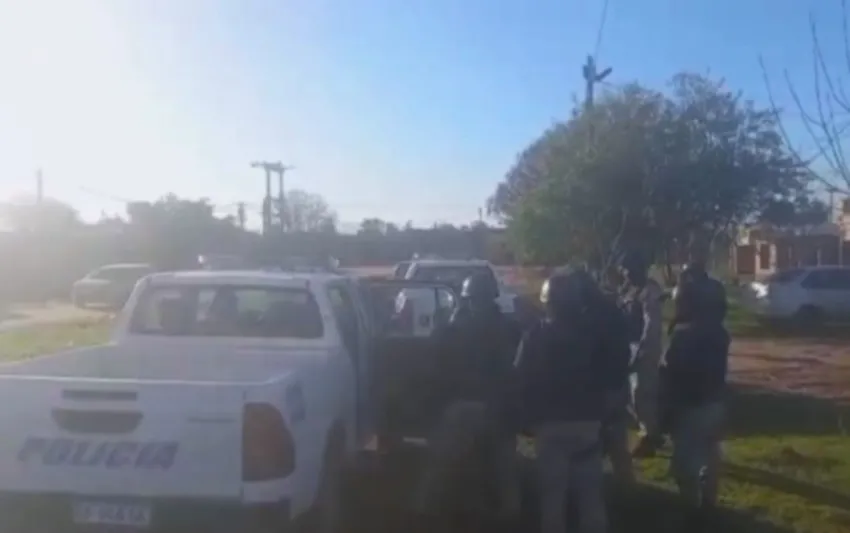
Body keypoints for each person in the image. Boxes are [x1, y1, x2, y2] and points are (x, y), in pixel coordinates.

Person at [511, 267, 621, 533]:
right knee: (591, 499)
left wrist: (524, 418)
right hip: (588, 424)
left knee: (552, 500)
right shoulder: (593, 335)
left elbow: (520, 378)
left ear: (548, 304)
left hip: (550, 426)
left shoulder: (536, 335)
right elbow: (610, 378)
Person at [412, 272, 522, 526]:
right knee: (503, 467)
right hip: (497, 406)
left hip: (463, 405)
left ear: (468, 298)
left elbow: (435, 359)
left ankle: (426, 509)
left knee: (442, 463)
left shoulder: (456, 327)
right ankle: (510, 512)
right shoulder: (509, 326)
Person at [655, 271, 729, 520]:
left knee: (683, 465)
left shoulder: (683, 336)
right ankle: (709, 503)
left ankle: (690, 509)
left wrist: (665, 410)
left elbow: (670, 373)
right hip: (715, 402)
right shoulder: (719, 333)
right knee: (710, 455)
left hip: (690, 407)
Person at [618, 250, 664, 457]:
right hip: (628, 345)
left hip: (645, 347)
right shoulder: (627, 289)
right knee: (630, 394)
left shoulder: (650, 290)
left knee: (642, 394)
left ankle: (649, 435)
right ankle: (650, 431)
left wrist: (642, 351)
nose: (625, 273)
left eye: (627, 269)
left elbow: (651, 324)